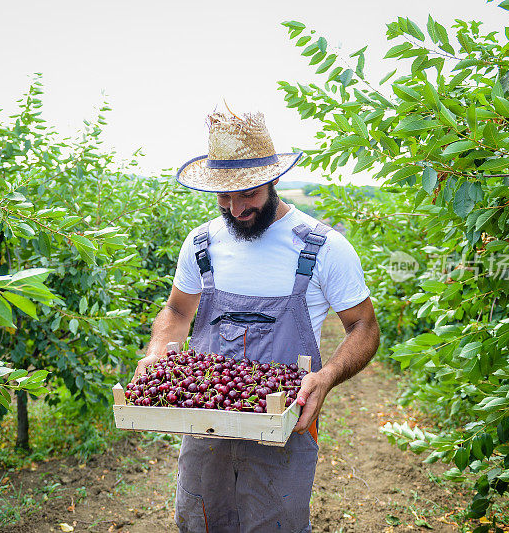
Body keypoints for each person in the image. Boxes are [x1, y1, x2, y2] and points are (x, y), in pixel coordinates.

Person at [137, 110, 380, 533]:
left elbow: (364, 328)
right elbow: (177, 312)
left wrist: (325, 378)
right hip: (205, 421)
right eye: (224, 198)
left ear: (272, 180)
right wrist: (159, 350)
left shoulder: (323, 247)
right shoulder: (201, 243)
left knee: (276, 524)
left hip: (284, 425)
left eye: (246, 194)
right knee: (199, 521)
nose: (237, 208)